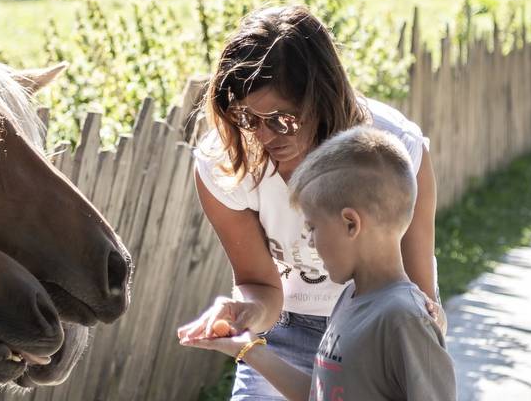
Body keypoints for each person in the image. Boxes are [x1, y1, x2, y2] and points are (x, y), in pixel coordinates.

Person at [176, 6, 440, 401]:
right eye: (247, 118)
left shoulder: (392, 150)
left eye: (281, 119)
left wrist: (420, 339)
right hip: (282, 329)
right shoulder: (226, 165)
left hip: (374, 328)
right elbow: (260, 285)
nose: (264, 136)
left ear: (322, 98)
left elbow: (417, 296)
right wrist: (244, 313)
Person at [181, 127, 454, 400]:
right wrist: (248, 349)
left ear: (350, 223)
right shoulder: (350, 298)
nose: (309, 242)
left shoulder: (404, 318)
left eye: (312, 228)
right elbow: (320, 394)